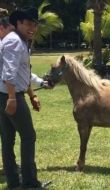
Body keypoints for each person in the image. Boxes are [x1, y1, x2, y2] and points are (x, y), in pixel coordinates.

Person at [0, 7, 51, 188]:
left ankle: (14, 182)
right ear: (18, 23)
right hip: (10, 95)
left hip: (4, 95)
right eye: (29, 24)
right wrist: (13, 98)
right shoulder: (15, 42)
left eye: (35, 25)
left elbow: (24, 73)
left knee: (7, 139)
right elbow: (9, 73)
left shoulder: (16, 41)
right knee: (28, 136)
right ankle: (30, 182)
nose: (33, 28)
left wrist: (39, 86)